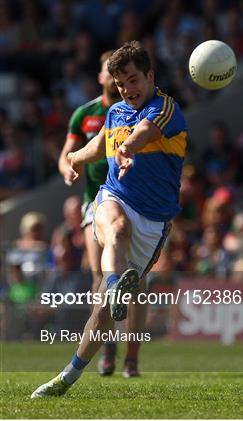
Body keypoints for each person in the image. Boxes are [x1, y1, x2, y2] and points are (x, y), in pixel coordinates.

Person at [31, 40, 188, 398]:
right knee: (114, 228)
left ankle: (67, 377)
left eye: (133, 80)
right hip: (113, 196)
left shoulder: (166, 108)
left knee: (102, 312)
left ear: (150, 76)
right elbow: (100, 143)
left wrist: (129, 147)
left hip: (153, 220)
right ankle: (117, 283)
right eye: (120, 83)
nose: (127, 89)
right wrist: (75, 159)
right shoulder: (115, 111)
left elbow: (145, 131)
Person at [58, 51, 143, 378]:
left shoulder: (135, 110)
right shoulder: (86, 114)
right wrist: (69, 168)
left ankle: (131, 359)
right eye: (111, 73)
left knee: (137, 279)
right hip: (96, 200)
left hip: (134, 199)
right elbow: (68, 155)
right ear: (102, 76)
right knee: (100, 272)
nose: (115, 79)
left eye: (123, 75)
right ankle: (106, 351)